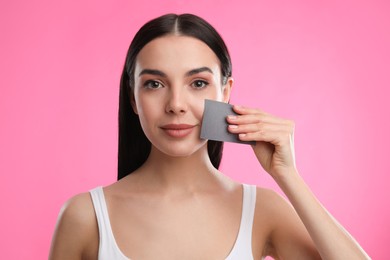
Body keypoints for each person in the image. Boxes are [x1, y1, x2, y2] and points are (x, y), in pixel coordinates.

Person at [49, 13, 370, 259]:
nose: (176, 105)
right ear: (133, 98)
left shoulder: (261, 209)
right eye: (154, 84)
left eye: (198, 83)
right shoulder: (85, 215)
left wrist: (287, 176)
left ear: (225, 91)